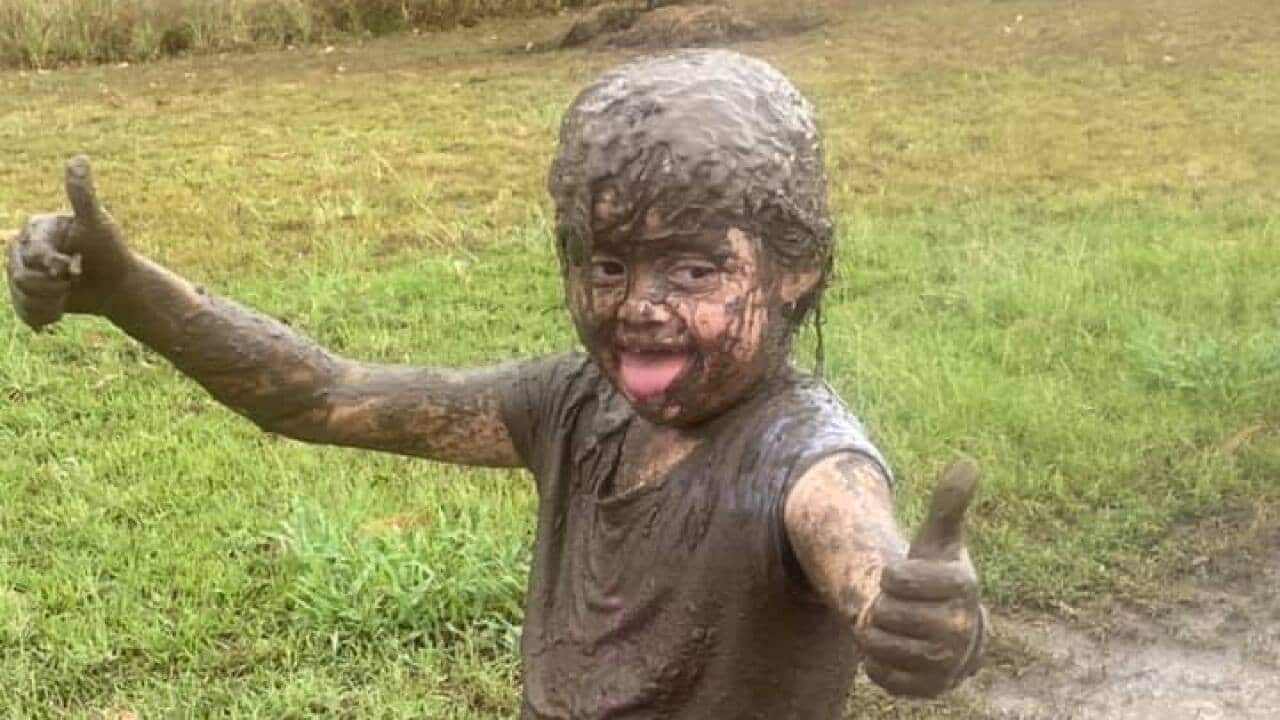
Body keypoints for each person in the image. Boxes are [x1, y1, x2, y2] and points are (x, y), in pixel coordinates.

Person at [6, 49, 986, 718]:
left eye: (692, 270)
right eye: (606, 266)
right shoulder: (572, 406)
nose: (638, 308)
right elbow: (317, 394)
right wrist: (128, 291)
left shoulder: (800, 458)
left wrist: (919, 619)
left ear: (793, 267)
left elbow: (864, 553)